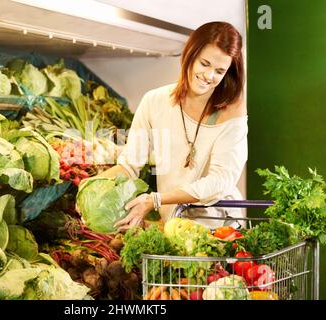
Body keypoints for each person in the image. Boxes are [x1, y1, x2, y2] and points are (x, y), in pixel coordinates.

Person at [94, 21, 247, 231]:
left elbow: (221, 180)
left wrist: (156, 200)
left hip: (219, 226)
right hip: (173, 227)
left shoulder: (232, 111)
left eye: (219, 71)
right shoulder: (154, 101)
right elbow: (130, 165)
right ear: (190, 55)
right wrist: (90, 187)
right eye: (204, 64)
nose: (209, 76)